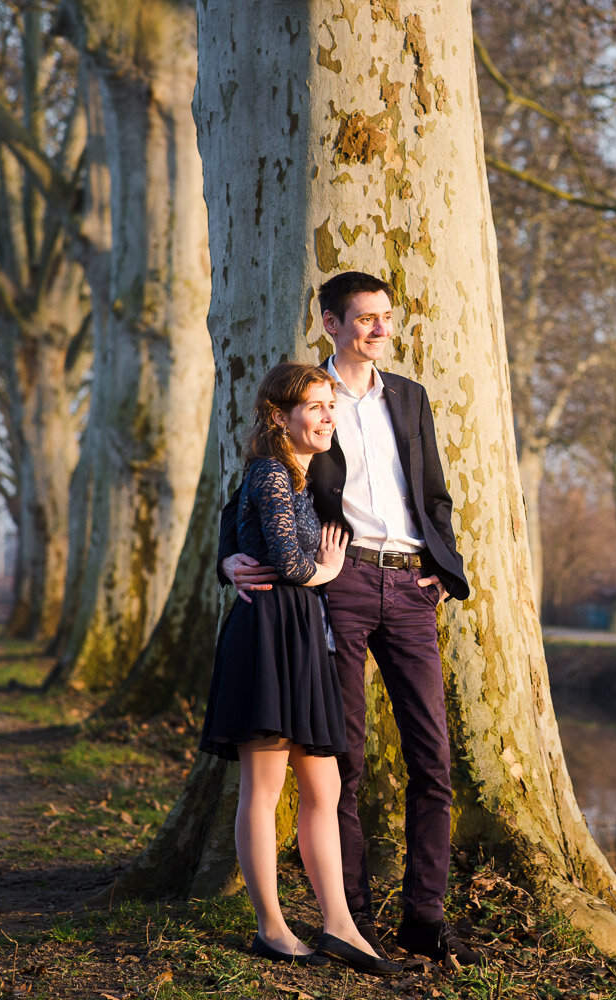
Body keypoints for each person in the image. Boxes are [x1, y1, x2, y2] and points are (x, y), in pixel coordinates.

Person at [218, 272, 478, 966]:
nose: (379, 330)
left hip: (412, 584)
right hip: (340, 581)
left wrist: (445, 573)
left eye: (386, 318)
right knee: (342, 759)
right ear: (331, 322)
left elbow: (434, 495)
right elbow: (250, 488)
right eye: (365, 319)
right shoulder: (311, 399)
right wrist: (228, 561)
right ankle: (350, 915)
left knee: (433, 760)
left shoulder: (411, 398)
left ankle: (425, 917)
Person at [199, 362, 400, 977]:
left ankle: (339, 925)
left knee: (325, 786)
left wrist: (251, 559)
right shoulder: (269, 471)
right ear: (279, 416)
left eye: (329, 406)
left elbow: (242, 535)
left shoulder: (299, 475)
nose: (327, 416)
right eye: (313, 407)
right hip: (267, 633)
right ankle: (272, 928)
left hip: (302, 633)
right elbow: (287, 560)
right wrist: (326, 572)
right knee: (263, 790)